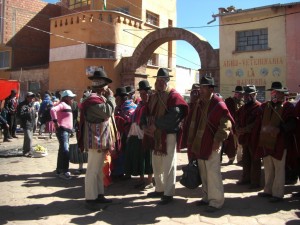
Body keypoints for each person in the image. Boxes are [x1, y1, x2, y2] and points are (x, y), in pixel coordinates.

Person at [185, 75, 233, 212]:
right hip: (200, 144)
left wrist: (218, 140)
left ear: (211, 89)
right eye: (200, 87)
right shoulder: (199, 103)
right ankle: (206, 197)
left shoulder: (218, 103)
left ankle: (216, 201)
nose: (201, 90)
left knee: (213, 173)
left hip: (213, 144)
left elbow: (226, 124)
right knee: (204, 172)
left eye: (204, 87)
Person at [143, 68, 188, 205]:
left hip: (168, 134)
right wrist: (144, 125)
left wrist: (156, 124)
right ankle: (159, 188)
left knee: (169, 164)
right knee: (156, 163)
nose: (159, 82)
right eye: (158, 80)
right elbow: (146, 111)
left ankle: (168, 193)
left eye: (163, 80)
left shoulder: (174, 96)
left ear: (168, 81)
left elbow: (174, 116)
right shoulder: (153, 96)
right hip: (155, 135)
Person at [78, 68, 118, 205]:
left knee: (99, 170)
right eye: (106, 84)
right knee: (92, 170)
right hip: (96, 140)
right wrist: (112, 97)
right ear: (102, 85)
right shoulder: (92, 100)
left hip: (100, 140)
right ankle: (90, 198)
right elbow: (107, 112)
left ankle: (99, 194)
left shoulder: (99, 98)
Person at [254, 82, 296, 202]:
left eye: (277, 92)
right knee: (268, 167)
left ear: (283, 94)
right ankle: (268, 190)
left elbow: (292, 123)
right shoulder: (266, 106)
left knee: (279, 169)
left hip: (280, 143)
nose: (274, 94)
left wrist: (280, 129)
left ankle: (277, 194)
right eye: (273, 92)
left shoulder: (288, 107)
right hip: (266, 142)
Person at [125, 80, 153, 189]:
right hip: (137, 134)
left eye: (145, 93)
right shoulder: (140, 104)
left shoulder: (151, 104)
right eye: (141, 93)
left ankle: (150, 181)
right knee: (140, 157)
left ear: (149, 93)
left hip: (148, 134)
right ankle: (141, 179)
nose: (143, 95)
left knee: (148, 158)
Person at [235, 85, 262, 189]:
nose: (246, 97)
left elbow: (257, 123)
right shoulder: (243, 108)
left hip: (255, 138)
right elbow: (237, 118)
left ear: (255, 94)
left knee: (255, 160)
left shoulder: (259, 107)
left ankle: (255, 182)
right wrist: (237, 127)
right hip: (245, 138)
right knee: (245, 159)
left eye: (249, 95)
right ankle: (246, 178)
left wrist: (244, 129)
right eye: (245, 95)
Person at [50, 90, 76, 180]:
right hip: (62, 130)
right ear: (66, 98)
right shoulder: (62, 104)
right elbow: (52, 110)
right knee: (65, 150)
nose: (72, 99)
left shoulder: (67, 105)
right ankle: (65, 171)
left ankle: (59, 170)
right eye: (71, 97)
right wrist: (55, 122)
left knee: (62, 150)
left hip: (66, 131)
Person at [223, 86, 244, 165]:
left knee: (240, 144)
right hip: (231, 125)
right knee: (231, 143)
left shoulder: (243, 102)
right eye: (238, 93)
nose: (240, 95)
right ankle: (231, 158)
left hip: (240, 125)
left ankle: (239, 159)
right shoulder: (229, 101)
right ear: (235, 93)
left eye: (241, 94)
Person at [17, 92, 36, 156]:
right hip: (26, 123)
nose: (31, 98)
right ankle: (27, 151)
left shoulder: (32, 104)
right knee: (28, 137)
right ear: (26, 97)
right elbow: (20, 114)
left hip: (32, 122)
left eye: (32, 97)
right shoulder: (22, 105)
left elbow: (33, 113)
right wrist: (28, 112)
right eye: (30, 97)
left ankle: (27, 150)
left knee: (28, 138)